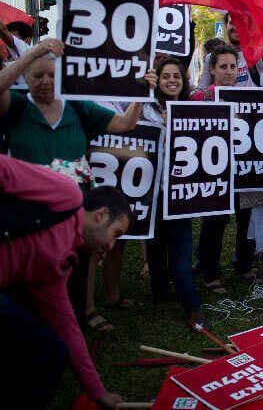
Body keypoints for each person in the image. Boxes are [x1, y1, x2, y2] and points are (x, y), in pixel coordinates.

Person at [0, 37, 155, 332]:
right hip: (28, 220)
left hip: (73, 218)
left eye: (52, 75)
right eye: (37, 75)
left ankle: (80, 317)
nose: (45, 81)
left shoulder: (79, 109)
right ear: (26, 77)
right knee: (31, 288)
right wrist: (33, 53)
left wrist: (141, 92)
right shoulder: (17, 107)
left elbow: (125, 124)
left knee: (76, 272)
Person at [0, 155, 129, 409]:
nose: (112, 245)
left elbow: (67, 326)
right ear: (102, 215)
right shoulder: (66, 192)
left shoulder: (59, 266)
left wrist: (98, 392)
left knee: (53, 352)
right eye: (116, 234)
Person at [140, 57, 206, 328]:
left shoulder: (191, 108)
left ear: (184, 80)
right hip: (150, 191)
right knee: (155, 244)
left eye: (176, 76)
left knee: (180, 253)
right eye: (166, 76)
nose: (171, 81)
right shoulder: (145, 109)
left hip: (179, 193)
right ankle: (160, 291)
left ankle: (193, 307)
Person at [192, 45, 262, 293]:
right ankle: (211, 272)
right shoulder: (201, 98)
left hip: (244, 171)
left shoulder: (248, 98)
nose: (229, 71)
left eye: (233, 66)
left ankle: (244, 265)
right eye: (223, 66)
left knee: (246, 218)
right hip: (214, 173)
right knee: (215, 221)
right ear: (212, 69)